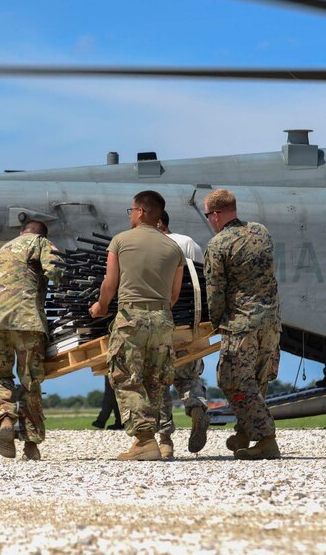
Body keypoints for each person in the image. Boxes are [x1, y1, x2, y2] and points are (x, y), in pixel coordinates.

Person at [89, 191, 185, 461]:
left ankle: (143, 440)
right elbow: (175, 294)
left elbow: (110, 283)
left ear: (141, 211)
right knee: (154, 380)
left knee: (125, 377)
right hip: (163, 319)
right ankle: (147, 440)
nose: (130, 214)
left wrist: (101, 306)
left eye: (131, 210)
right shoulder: (173, 247)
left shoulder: (120, 241)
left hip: (131, 318)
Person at [203, 188, 283, 460]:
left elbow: (215, 291)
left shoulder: (218, 244)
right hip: (271, 323)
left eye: (207, 215)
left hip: (242, 324)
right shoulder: (261, 232)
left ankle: (266, 439)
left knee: (232, 378)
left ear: (215, 214)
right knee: (256, 380)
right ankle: (245, 432)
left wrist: (216, 322)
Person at [0, 220, 61, 461]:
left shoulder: (3, 250)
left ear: (21, 232)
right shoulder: (41, 243)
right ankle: (31, 445)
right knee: (29, 381)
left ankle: (4, 418)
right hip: (26, 320)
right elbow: (55, 270)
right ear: (41, 234)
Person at [156, 211, 210, 457]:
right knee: (188, 377)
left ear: (159, 222)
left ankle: (165, 440)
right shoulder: (188, 243)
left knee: (158, 383)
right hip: (189, 326)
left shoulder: (147, 246)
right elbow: (201, 281)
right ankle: (196, 406)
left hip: (158, 324)